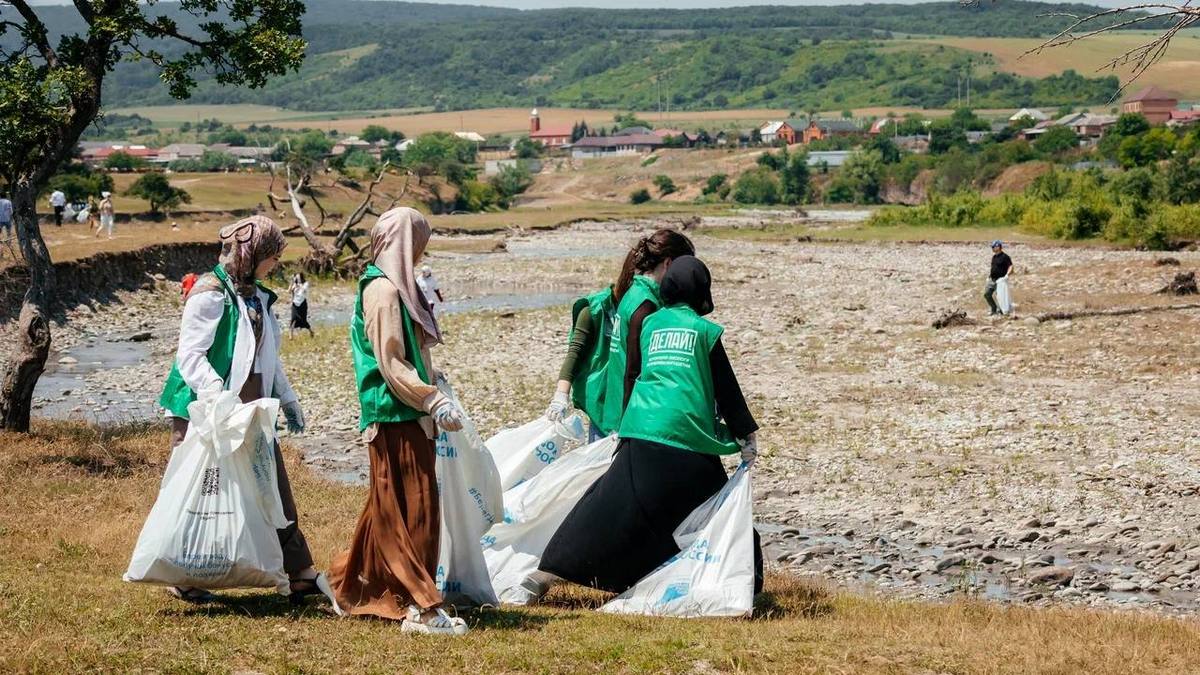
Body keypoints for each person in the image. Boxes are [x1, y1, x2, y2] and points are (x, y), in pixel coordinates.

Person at [539, 256, 763, 596]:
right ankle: (748, 582)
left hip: (640, 432)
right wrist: (747, 435)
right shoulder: (706, 333)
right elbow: (727, 390)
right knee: (718, 507)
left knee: (604, 508)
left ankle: (549, 571)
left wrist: (625, 425)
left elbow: (634, 372)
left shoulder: (651, 325)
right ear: (701, 291)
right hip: (689, 439)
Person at [156, 215, 334, 607]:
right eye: (272, 255)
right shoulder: (208, 293)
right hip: (203, 408)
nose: (276, 263)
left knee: (272, 481)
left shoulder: (259, 297)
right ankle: (184, 572)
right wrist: (217, 395)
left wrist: (286, 398)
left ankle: (300, 572)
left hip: (251, 405)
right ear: (251, 253)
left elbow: (268, 357)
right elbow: (190, 356)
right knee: (201, 490)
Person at [328, 207, 469, 635]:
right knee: (414, 510)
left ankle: (351, 585)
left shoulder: (399, 289)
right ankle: (420, 606)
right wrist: (431, 399)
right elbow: (390, 362)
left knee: (388, 506)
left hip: (407, 411)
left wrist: (433, 385)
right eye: (418, 244)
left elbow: (411, 353)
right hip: (394, 413)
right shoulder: (384, 293)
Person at [600, 229, 695, 434]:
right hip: (628, 417)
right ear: (668, 264)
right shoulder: (647, 305)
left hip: (615, 409)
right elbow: (633, 370)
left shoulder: (632, 291)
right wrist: (627, 428)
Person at [984, 240, 1013, 316]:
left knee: (999, 296)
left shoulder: (1005, 257)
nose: (992, 248)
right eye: (992, 247)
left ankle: (1000, 310)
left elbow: (1010, 266)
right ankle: (993, 308)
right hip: (992, 279)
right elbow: (993, 267)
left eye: (994, 247)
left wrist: (1007, 275)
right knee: (987, 294)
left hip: (1000, 280)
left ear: (998, 247)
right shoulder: (994, 257)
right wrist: (989, 276)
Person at [288, 272, 314, 338]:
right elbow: (288, 291)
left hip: (302, 303)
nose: (297, 278)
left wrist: (299, 285)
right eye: (296, 277)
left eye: (298, 277)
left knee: (303, 320)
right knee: (293, 318)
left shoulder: (305, 284)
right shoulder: (294, 284)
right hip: (295, 303)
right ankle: (291, 336)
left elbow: (304, 290)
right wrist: (292, 284)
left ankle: (311, 331)